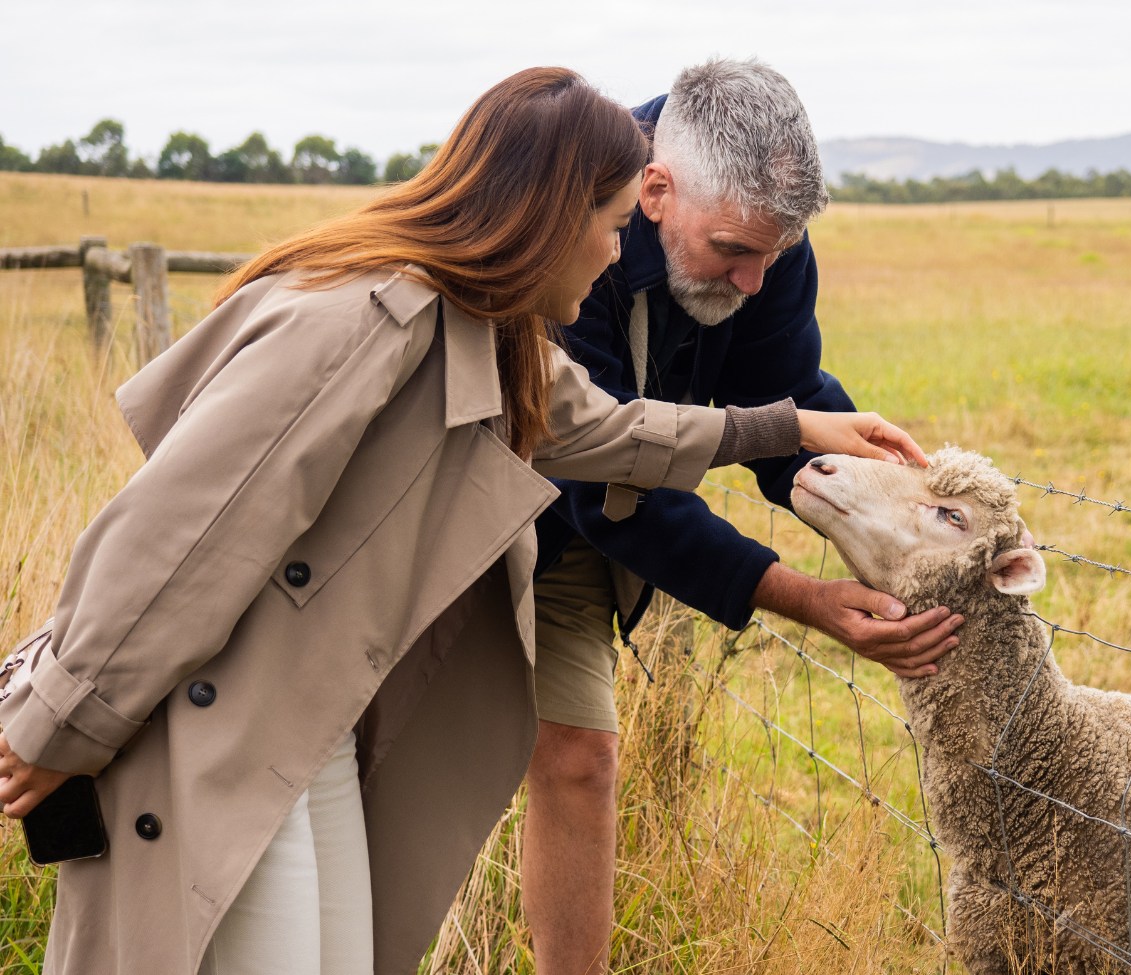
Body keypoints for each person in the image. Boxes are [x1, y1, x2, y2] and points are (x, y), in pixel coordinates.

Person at [0, 67, 924, 975]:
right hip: (223, 724)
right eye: (606, 230)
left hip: (316, 720)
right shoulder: (361, 320)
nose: (613, 256)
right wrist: (58, 725)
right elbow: (171, 536)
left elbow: (605, 427)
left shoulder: (494, 328)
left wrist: (794, 425)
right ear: (564, 215)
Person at [523, 59, 964, 974]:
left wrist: (905, 513)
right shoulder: (562, 223)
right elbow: (598, 473)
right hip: (492, 502)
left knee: (578, 755)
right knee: (422, 762)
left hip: (591, 517)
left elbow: (780, 401)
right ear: (654, 192)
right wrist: (800, 595)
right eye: (733, 251)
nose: (756, 280)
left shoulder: (764, 249)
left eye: (777, 252)